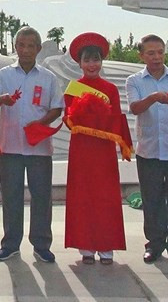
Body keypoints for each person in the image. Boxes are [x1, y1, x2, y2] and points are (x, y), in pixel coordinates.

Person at [0, 26, 63, 263]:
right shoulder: (4, 75)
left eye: (31, 46)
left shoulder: (48, 77)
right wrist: (3, 99)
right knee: (11, 195)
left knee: (41, 196)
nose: (26, 50)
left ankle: (41, 244)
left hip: (39, 147)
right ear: (15, 47)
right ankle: (10, 244)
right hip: (9, 146)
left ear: (39, 49)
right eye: (22, 45)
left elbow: (57, 107)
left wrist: (40, 124)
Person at [125, 34, 168, 264]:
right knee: (152, 199)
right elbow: (135, 108)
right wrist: (154, 97)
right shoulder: (134, 81)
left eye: (160, 52)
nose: (156, 57)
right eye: (151, 53)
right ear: (141, 56)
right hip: (149, 151)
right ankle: (154, 245)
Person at [63, 32, 128, 265]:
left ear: (101, 62)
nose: (92, 65)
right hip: (81, 149)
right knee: (83, 195)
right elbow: (67, 118)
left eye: (96, 59)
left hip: (104, 150)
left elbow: (116, 119)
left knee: (105, 195)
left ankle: (107, 245)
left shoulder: (110, 89)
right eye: (87, 60)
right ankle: (86, 246)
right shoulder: (73, 88)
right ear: (79, 63)